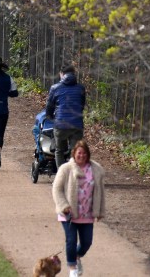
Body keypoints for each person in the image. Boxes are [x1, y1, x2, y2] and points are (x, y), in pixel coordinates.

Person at [52, 140, 105, 277]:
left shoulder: (96, 169)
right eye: (79, 153)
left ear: (88, 155)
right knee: (71, 240)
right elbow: (56, 189)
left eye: (84, 153)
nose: (81, 155)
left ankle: (77, 256)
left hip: (87, 214)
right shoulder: (66, 168)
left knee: (87, 242)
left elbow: (101, 192)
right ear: (74, 153)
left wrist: (100, 211)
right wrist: (64, 206)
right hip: (69, 214)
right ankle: (72, 269)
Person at [46, 64, 87, 167]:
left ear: (61, 74)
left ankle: (61, 174)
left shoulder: (55, 88)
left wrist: (49, 116)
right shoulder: (81, 88)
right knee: (75, 151)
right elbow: (81, 105)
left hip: (60, 124)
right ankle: (74, 174)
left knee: (59, 150)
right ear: (74, 74)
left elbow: (50, 106)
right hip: (76, 125)